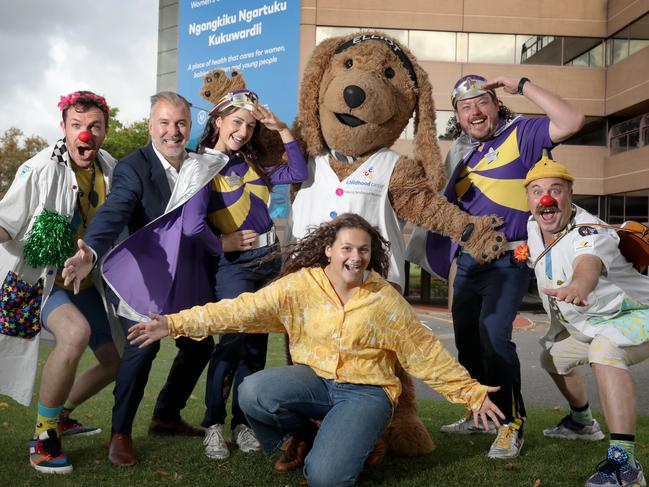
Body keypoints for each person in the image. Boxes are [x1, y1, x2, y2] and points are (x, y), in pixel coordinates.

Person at [127, 213, 505, 487]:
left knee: (327, 478)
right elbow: (239, 310)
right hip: (315, 383)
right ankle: (305, 436)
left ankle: (357, 440)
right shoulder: (300, 286)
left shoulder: (383, 299)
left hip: (366, 393)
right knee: (253, 392)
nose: (355, 257)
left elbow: (425, 351)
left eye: (363, 250)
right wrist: (173, 323)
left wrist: (470, 393)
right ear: (328, 250)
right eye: (346, 248)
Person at [419, 74, 585, 459]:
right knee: (468, 343)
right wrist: (453, 269)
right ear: (458, 117)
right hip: (470, 262)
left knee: (495, 334)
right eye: (465, 107)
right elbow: (453, 219)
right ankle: (482, 413)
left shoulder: (521, 133)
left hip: (512, 257)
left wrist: (522, 85)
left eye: (482, 102)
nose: (474, 112)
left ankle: (512, 423)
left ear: (496, 106)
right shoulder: (463, 157)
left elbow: (572, 121)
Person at [61, 92, 217, 467]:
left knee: (199, 345)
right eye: (164, 123)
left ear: (190, 126)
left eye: (180, 123)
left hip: (189, 276)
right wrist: (90, 253)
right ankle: (121, 433)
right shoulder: (133, 167)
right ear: (151, 127)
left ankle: (165, 415)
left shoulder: (201, 166)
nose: (173, 131)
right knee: (142, 347)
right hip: (143, 277)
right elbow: (115, 211)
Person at [0, 90, 121, 473]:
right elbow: (7, 222)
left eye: (94, 127)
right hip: (45, 281)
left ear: (104, 130)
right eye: (77, 126)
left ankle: (61, 413)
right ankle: (44, 435)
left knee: (114, 362)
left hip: (87, 282)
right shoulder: (39, 168)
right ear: (64, 128)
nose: (86, 135)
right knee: (74, 334)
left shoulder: (111, 167)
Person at [189, 88, 307, 460]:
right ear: (219, 120)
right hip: (235, 266)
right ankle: (212, 424)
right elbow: (191, 226)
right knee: (231, 343)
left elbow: (298, 171)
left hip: (270, 258)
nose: (243, 130)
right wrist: (221, 243)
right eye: (237, 122)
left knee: (256, 346)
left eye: (250, 125)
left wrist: (280, 128)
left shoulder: (254, 161)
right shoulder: (200, 165)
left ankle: (243, 423)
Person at [524, 156, 648, 487]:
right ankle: (582, 423)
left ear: (570, 194)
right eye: (537, 191)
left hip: (635, 313)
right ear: (530, 199)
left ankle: (625, 465)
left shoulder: (587, 231)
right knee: (551, 357)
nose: (545, 198)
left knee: (605, 353)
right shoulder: (533, 225)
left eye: (555, 190)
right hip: (593, 320)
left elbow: (586, 263)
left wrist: (579, 286)